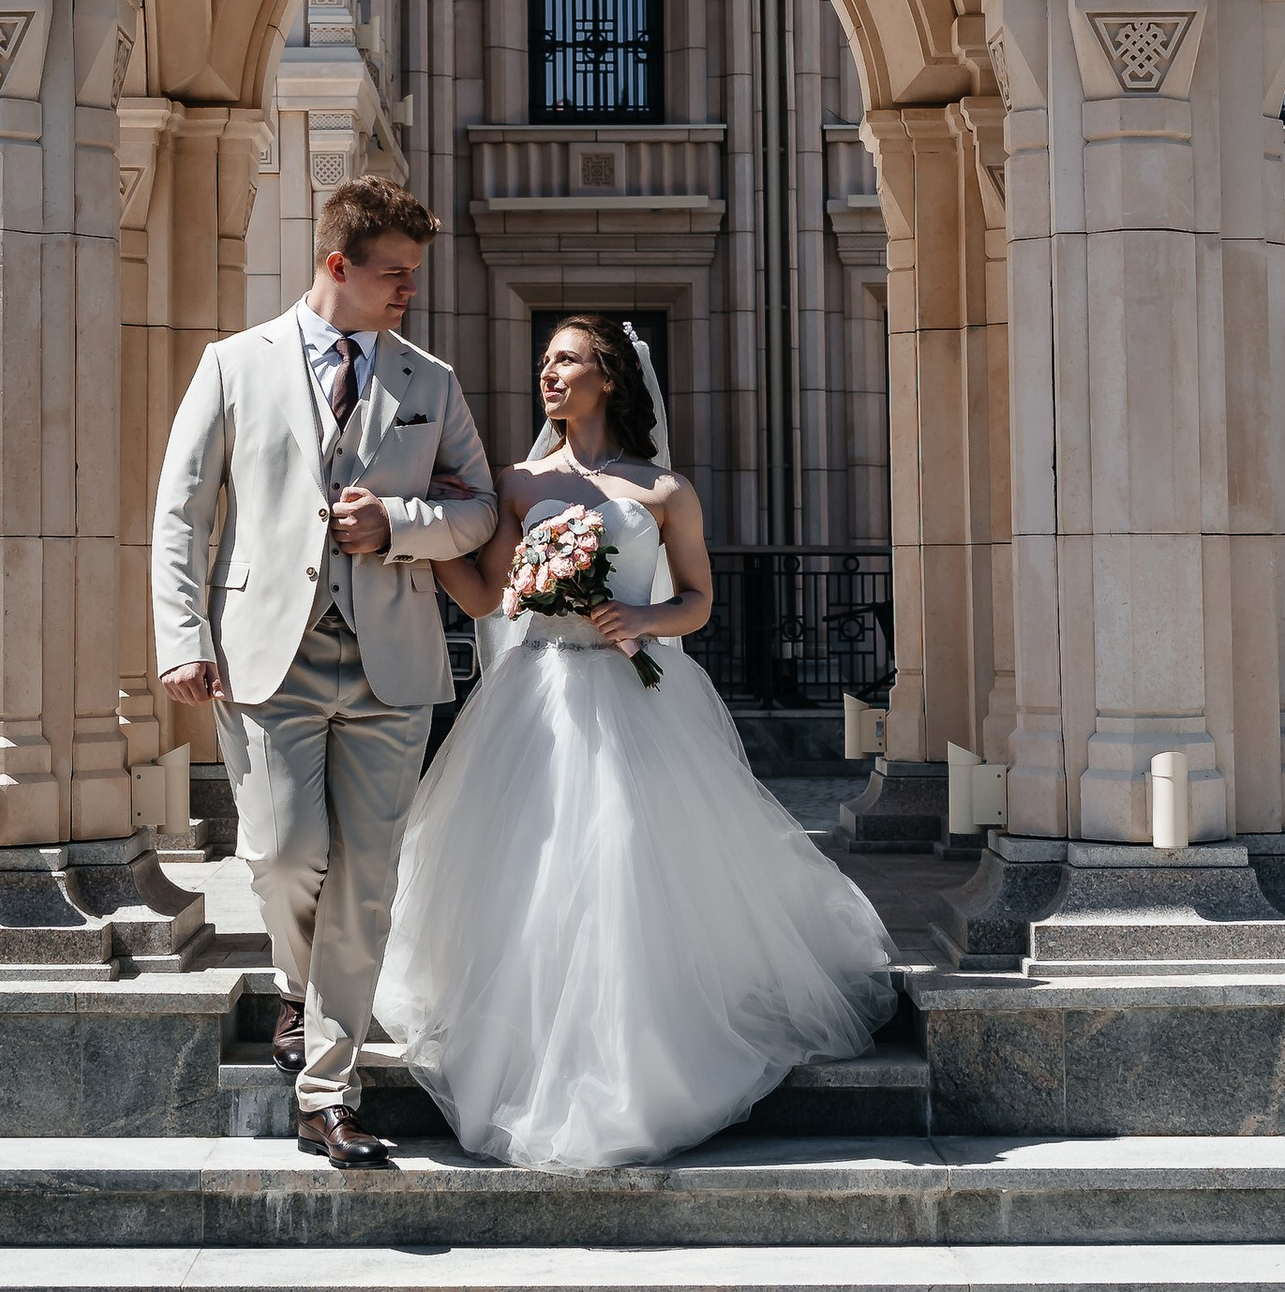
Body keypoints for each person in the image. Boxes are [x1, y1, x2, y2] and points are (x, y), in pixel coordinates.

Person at [372, 315, 895, 1170]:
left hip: (633, 699)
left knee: (619, 862)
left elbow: (698, 600)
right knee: (531, 873)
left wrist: (644, 618)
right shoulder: (516, 483)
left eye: (568, 361)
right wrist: (416, 534)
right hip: (535, 697)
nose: (550, 374)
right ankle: (532, 1046)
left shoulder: (663, 492)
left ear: (608, 378)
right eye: (545, 361)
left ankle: (631, 1055)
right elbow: (483, 599)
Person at [150, 180, 496, 1170]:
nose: (408, 294)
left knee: (369, 882)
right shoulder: (231, 366)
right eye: (394, 275)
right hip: (267, 655)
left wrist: (403, 527)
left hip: (393, 660)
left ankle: (327, 1093)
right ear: (337, 265)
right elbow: (182, 511)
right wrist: (184, 634)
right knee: (284, 855)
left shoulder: (428, 380)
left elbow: (475, 507)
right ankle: (301, 995)